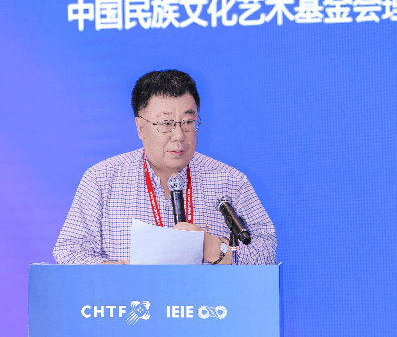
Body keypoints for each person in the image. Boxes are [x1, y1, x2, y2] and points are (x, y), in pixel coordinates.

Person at [53, 70, 276, 265]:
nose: (179, 135)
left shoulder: (229, 181)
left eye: (188, 122)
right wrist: (115, 272)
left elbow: (267, 253)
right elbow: (69, 252)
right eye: (166, 124)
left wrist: (212, 248)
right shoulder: (101, 179)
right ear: (140, 127)